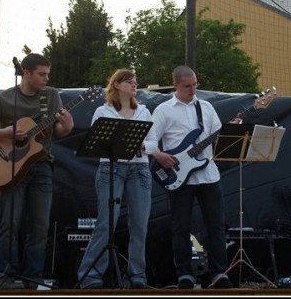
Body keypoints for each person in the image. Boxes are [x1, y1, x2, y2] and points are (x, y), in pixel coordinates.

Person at [0, 53, 74, 288]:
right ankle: (5, 275)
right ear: (25, 73)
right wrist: (6, 133)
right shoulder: (5, 98)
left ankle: (32, 278)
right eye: (41, 74)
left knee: (40, 225)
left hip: (41, 166)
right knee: (11, 222)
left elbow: (57, 131)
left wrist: (67, 127)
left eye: (48, 74)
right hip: (11, 168)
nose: (46, 79)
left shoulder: (51, 97)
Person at [147, 65, 233, 289]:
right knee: (180, 227)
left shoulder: (205, 107)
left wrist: (231, 131)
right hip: (178, 176)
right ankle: (184, 274)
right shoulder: (164, 110)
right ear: (175, 85)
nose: (192, 89)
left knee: (215, 226)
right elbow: (149, 141)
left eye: (195, 85)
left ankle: (219, 273)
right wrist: (159, 155)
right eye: (187, 86)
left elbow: (217, 139)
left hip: (208, 174)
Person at [77, 69, 156, 289]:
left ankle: (137, 277)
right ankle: (90, 276)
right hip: (110, 169)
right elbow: (97, 142)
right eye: (129, 82)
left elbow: (154, 143)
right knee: (106, 222)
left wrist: (141, 144)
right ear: (117, 85)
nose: (134, 85)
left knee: (140, 224)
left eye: (135, 82)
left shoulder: (144, 112)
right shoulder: (103, 111)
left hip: (139, 169)